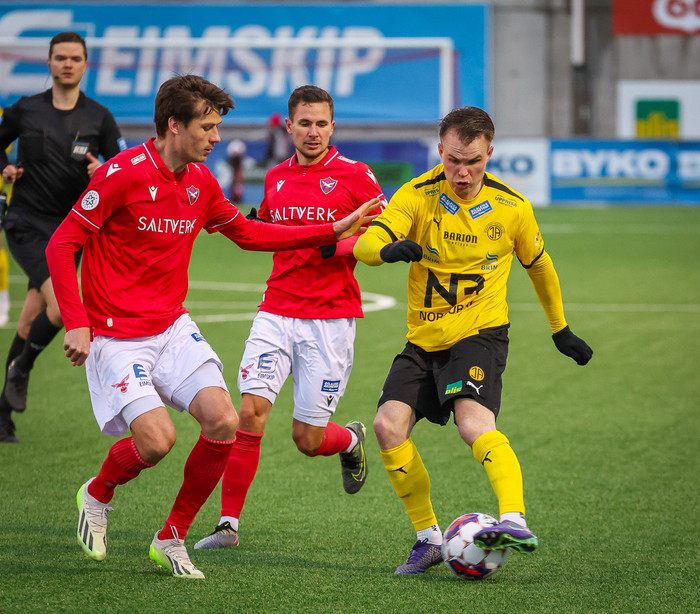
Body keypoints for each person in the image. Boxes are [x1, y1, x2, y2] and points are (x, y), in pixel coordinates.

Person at [45, 74, 378, 579]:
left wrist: (331, 229)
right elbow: (61, 244)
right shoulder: (121, 174)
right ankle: (97, 493)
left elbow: (248, 233)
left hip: (172, 327)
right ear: (174, 126)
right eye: (207, 128)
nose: (217, 138)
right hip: (116, 334)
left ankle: (172, 536)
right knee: (156, 442)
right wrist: (76, 323)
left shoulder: (200, 181)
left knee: (224, 421)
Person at [353, 106, 593, 574]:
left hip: (480, 333)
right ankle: (428, 540)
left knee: (472, 423)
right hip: (424, 338)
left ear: (490, 154)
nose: (462, 172)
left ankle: (513, 520)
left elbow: (539, 266)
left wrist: (560, 328)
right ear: (440, 151)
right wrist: (387, 249)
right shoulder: (417, 195)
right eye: (453, 160)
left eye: (474, 162)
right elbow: (364, 246)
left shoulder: (512, 207)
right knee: (386, 426)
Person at [194, 85, 385, 550]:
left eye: (321, 124)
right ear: (289, 126)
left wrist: (335, 245)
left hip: (330, 318)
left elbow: (386, 231)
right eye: (304, 123)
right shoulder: (276, 176)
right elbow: (271, 231)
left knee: (307, 438)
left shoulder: (356, 175)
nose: (312, 132)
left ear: (332, 127)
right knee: (249, 413)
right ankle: (227, 525)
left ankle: (349, 441)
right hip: (276, 310)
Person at [0, 31, 125, 443]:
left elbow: (123, 166)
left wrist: (103, 171)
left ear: (85, 64)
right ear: (50, 63)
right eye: (60, 57)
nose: (67, 64)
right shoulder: (25, 110)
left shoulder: (99, 117)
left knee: (29, 319)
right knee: (62, 308)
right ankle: (21, 369)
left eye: (75, 58)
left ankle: (2, 414)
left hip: (71, 231)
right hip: (26, 223)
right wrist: (5, 168)